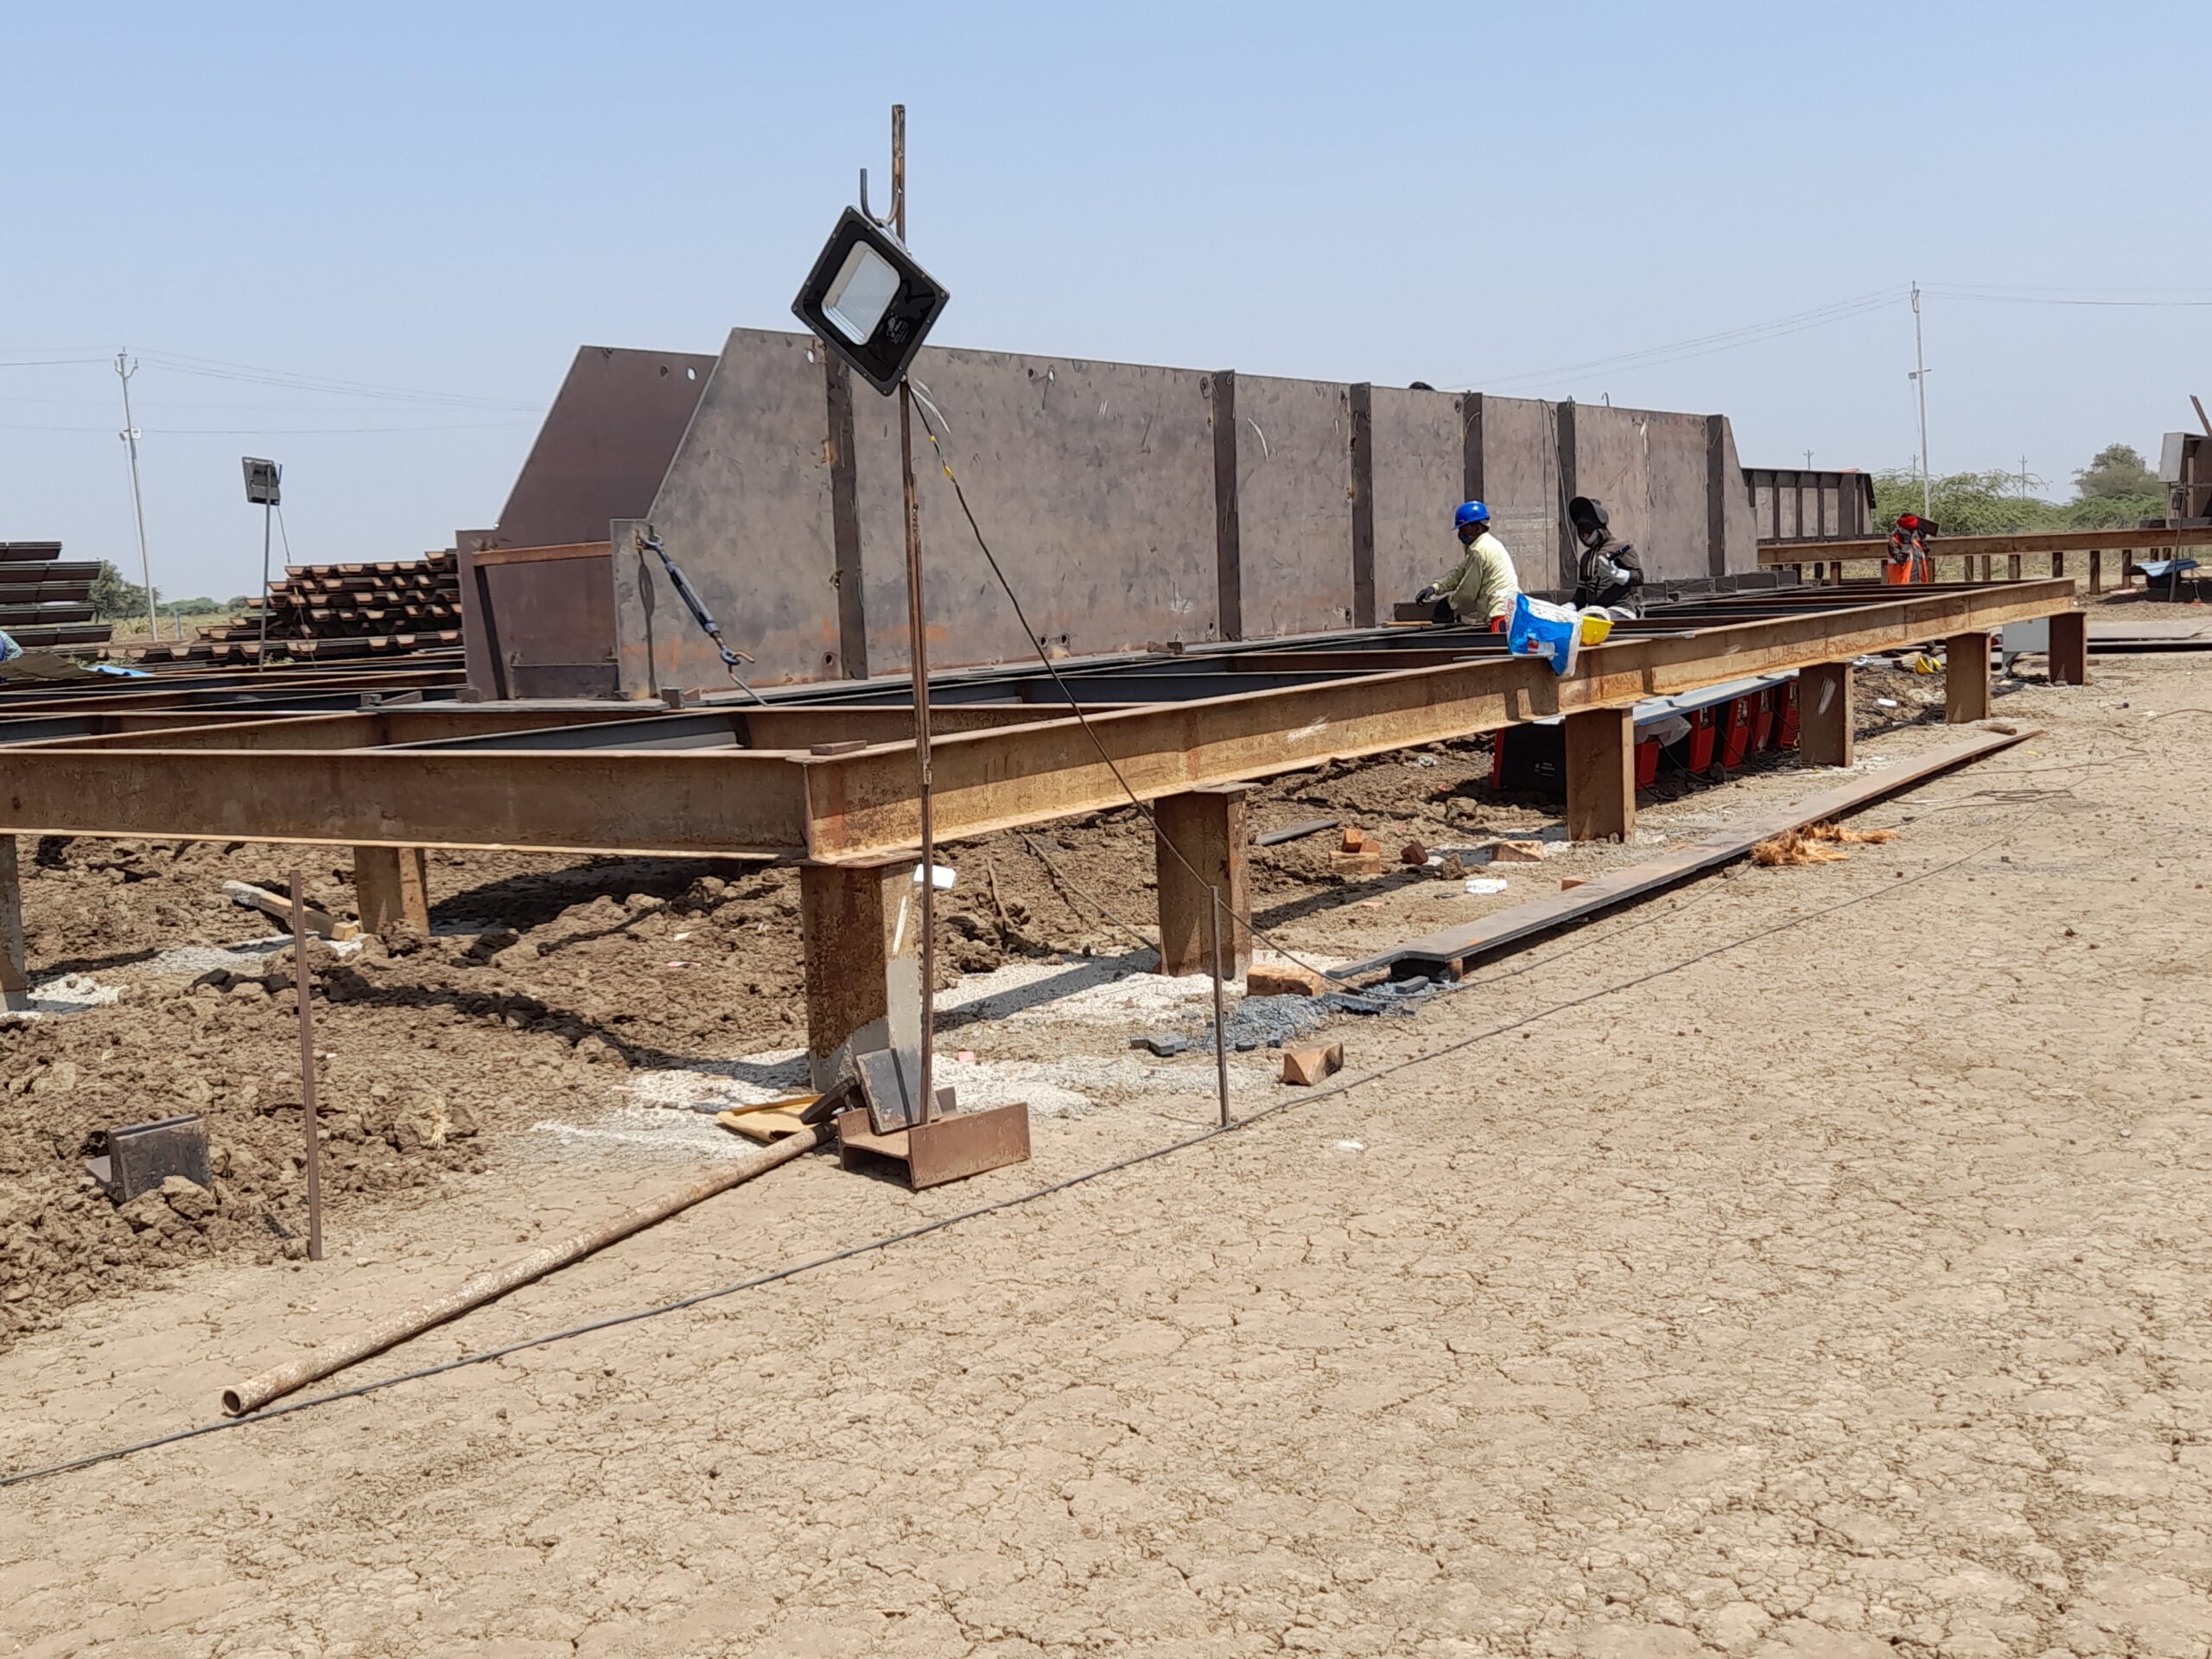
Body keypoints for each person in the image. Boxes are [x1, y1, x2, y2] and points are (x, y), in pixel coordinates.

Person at [1417, 500, 1520, 628]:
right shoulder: (1488, 544)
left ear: (1477, 528)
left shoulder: (1480, 551)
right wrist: (1435, 588)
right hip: (1509, 610)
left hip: (1500, 615)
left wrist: (1450, 604)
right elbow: (1460, 572)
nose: (1460, 534)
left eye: (1463, 528)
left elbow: (1469, 589)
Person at [1567, 496, 1646, 618]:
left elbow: (1639, 577)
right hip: (1595, 612)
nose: (1583, 534)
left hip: (1621, 610)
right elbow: (1582, 593)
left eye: (1587, 527)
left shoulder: (1619, 547)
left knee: (1597, 620)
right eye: (1580, 528)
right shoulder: (1586, 558)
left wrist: (1619, 575)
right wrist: (1570, 607)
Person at [1885, 513, 1935, 585]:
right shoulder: (1894, 542)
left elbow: (1923, 559)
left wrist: (1923, 539)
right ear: (1901, 528)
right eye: (1909, 530)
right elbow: (1901, 559)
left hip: (1919, 584)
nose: (1911, 532)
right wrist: (1905, 543)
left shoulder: (1915, 543)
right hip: (1901, 586)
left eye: (1912, 530)